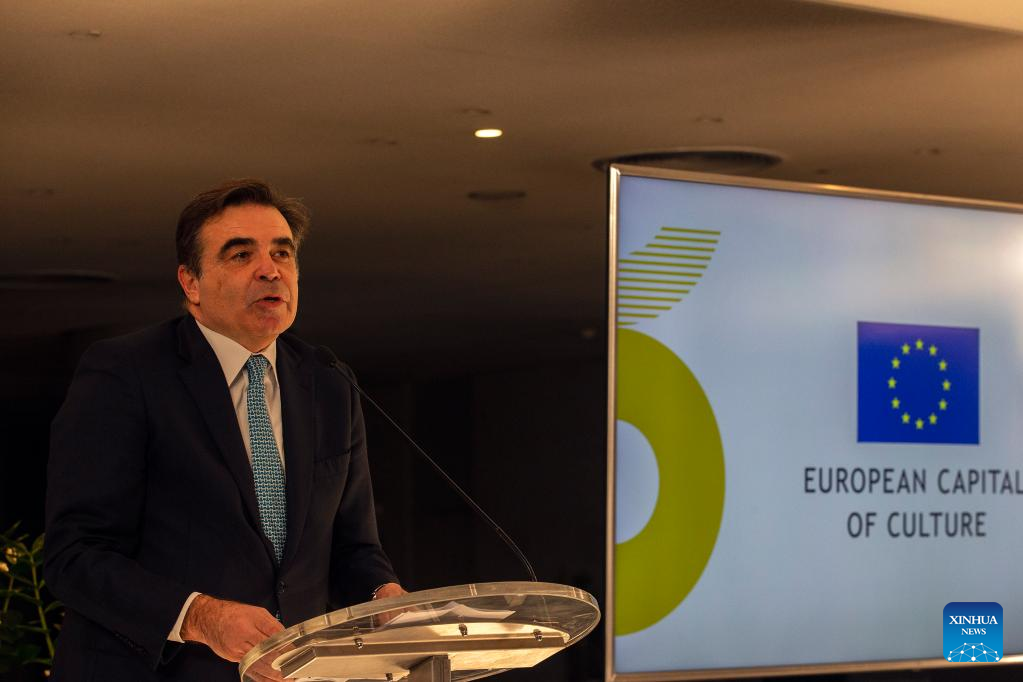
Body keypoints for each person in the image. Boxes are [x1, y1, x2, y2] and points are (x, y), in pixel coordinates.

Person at [44, 179, 404, 680]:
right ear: (191, 282)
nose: (270, 270)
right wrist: (200, 617)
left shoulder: (328, 382)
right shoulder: (125, 374)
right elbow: (74, 556)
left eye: (282, 253)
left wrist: (383, 597)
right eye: (241, 255)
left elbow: (353, 548)